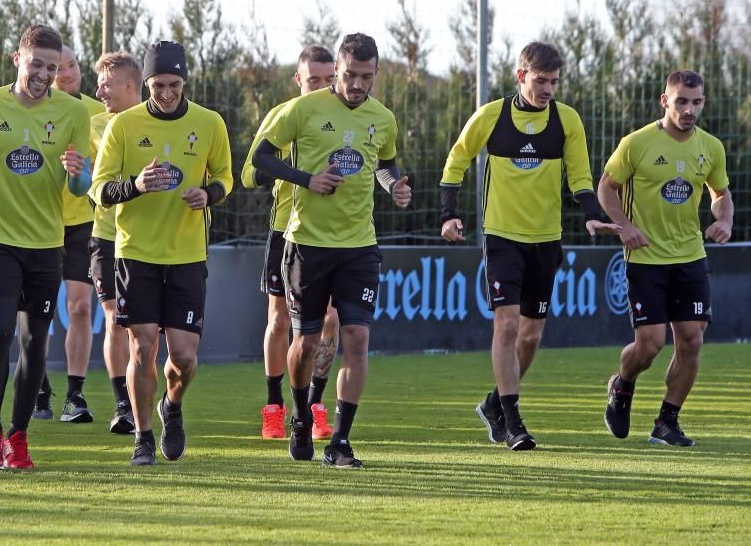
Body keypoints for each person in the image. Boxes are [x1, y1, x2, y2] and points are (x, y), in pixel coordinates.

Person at [439, 41, 620, 451]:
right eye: (541, 80)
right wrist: (448, 214)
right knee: (506, 324)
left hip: (546, 239)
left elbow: (580, 178)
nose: (548, 89)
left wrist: (591, 212)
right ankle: (514, 420)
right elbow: (456, 161)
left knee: (532, 336)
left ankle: (492, 404)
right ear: (521, 76)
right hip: (502, 237)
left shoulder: (567, 121)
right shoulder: (492, 116)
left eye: (554, 82)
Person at [252, 33, 411, 468]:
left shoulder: (383, 118)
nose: (357, 84)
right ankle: (300, 414)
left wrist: (394, 185)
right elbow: (260, 160)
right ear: (337, 71)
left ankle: (340, 441)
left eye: (366, 76)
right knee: (303, 343)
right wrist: (307, 179)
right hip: (307, 245)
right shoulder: (302, 110)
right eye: (349, 75)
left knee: (356, 338)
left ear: (377, 73)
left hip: (360, 246)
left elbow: (384, 164)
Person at [0, 24, 92, 470]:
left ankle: (19, 436)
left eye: (53, 67)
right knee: (2, 327)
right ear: (17, 59)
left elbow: (82, 184)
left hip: (47, 243)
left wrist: (75, 172)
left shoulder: (72, 112)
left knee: (35, 342)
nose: (45, 74)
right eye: (37, 64)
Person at [89, 40, 233, 466]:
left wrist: (207, 194)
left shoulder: (209, 124)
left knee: (184, 358)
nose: (166, 93)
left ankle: (171, 405)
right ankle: (143, 437)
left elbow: (226, 179)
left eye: (174, 84)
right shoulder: (123, 126)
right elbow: (99, 190)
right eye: (158, 85)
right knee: (142, 348)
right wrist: (135, 185)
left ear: (185, 81)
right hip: (136, 254)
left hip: (188, 255)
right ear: (146, 83)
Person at [599, 70, 732, 447]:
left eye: (696, 102)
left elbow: (720, 192)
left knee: (691, 341)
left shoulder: (711, 147)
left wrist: (724, 218)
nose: (689, 110)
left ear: (703, 102)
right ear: (665, 101)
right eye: (682, 102)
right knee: (650, 345)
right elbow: (606, 187)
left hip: (690, 255)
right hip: (645, 258)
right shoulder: (636, 143)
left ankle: (666, 421)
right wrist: (624, 226)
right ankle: (622, 385)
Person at [240, 45, 342, 440]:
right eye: (312, 80)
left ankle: (315, 406)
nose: (320, 87)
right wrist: (285, 171)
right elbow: (249, 174)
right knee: (280, 319)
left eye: (327, 80)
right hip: (287, 231)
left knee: (329, 321)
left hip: (333, 234)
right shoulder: (282, 117)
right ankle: (274, 407)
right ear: (298, 80)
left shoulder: (345, 116)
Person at [34, 45, 107, 422]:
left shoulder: (97, 112)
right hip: (38, 220)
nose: (66, 74)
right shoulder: (30, 110)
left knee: (80, 306)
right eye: (57, 68)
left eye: (72, 66)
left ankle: (74, 396)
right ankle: (39, 387)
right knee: (37, 312)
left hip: (82, 223)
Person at [89, 51, 143, 434]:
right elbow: (86, 185)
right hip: (105, 235)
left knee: (145, 330)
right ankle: (123, 404)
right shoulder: (91, 124)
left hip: (149, 240)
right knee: (113, 319)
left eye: (106, 84)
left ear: (129, 85)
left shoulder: (156, 122)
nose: (99, 91)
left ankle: (150, 395)